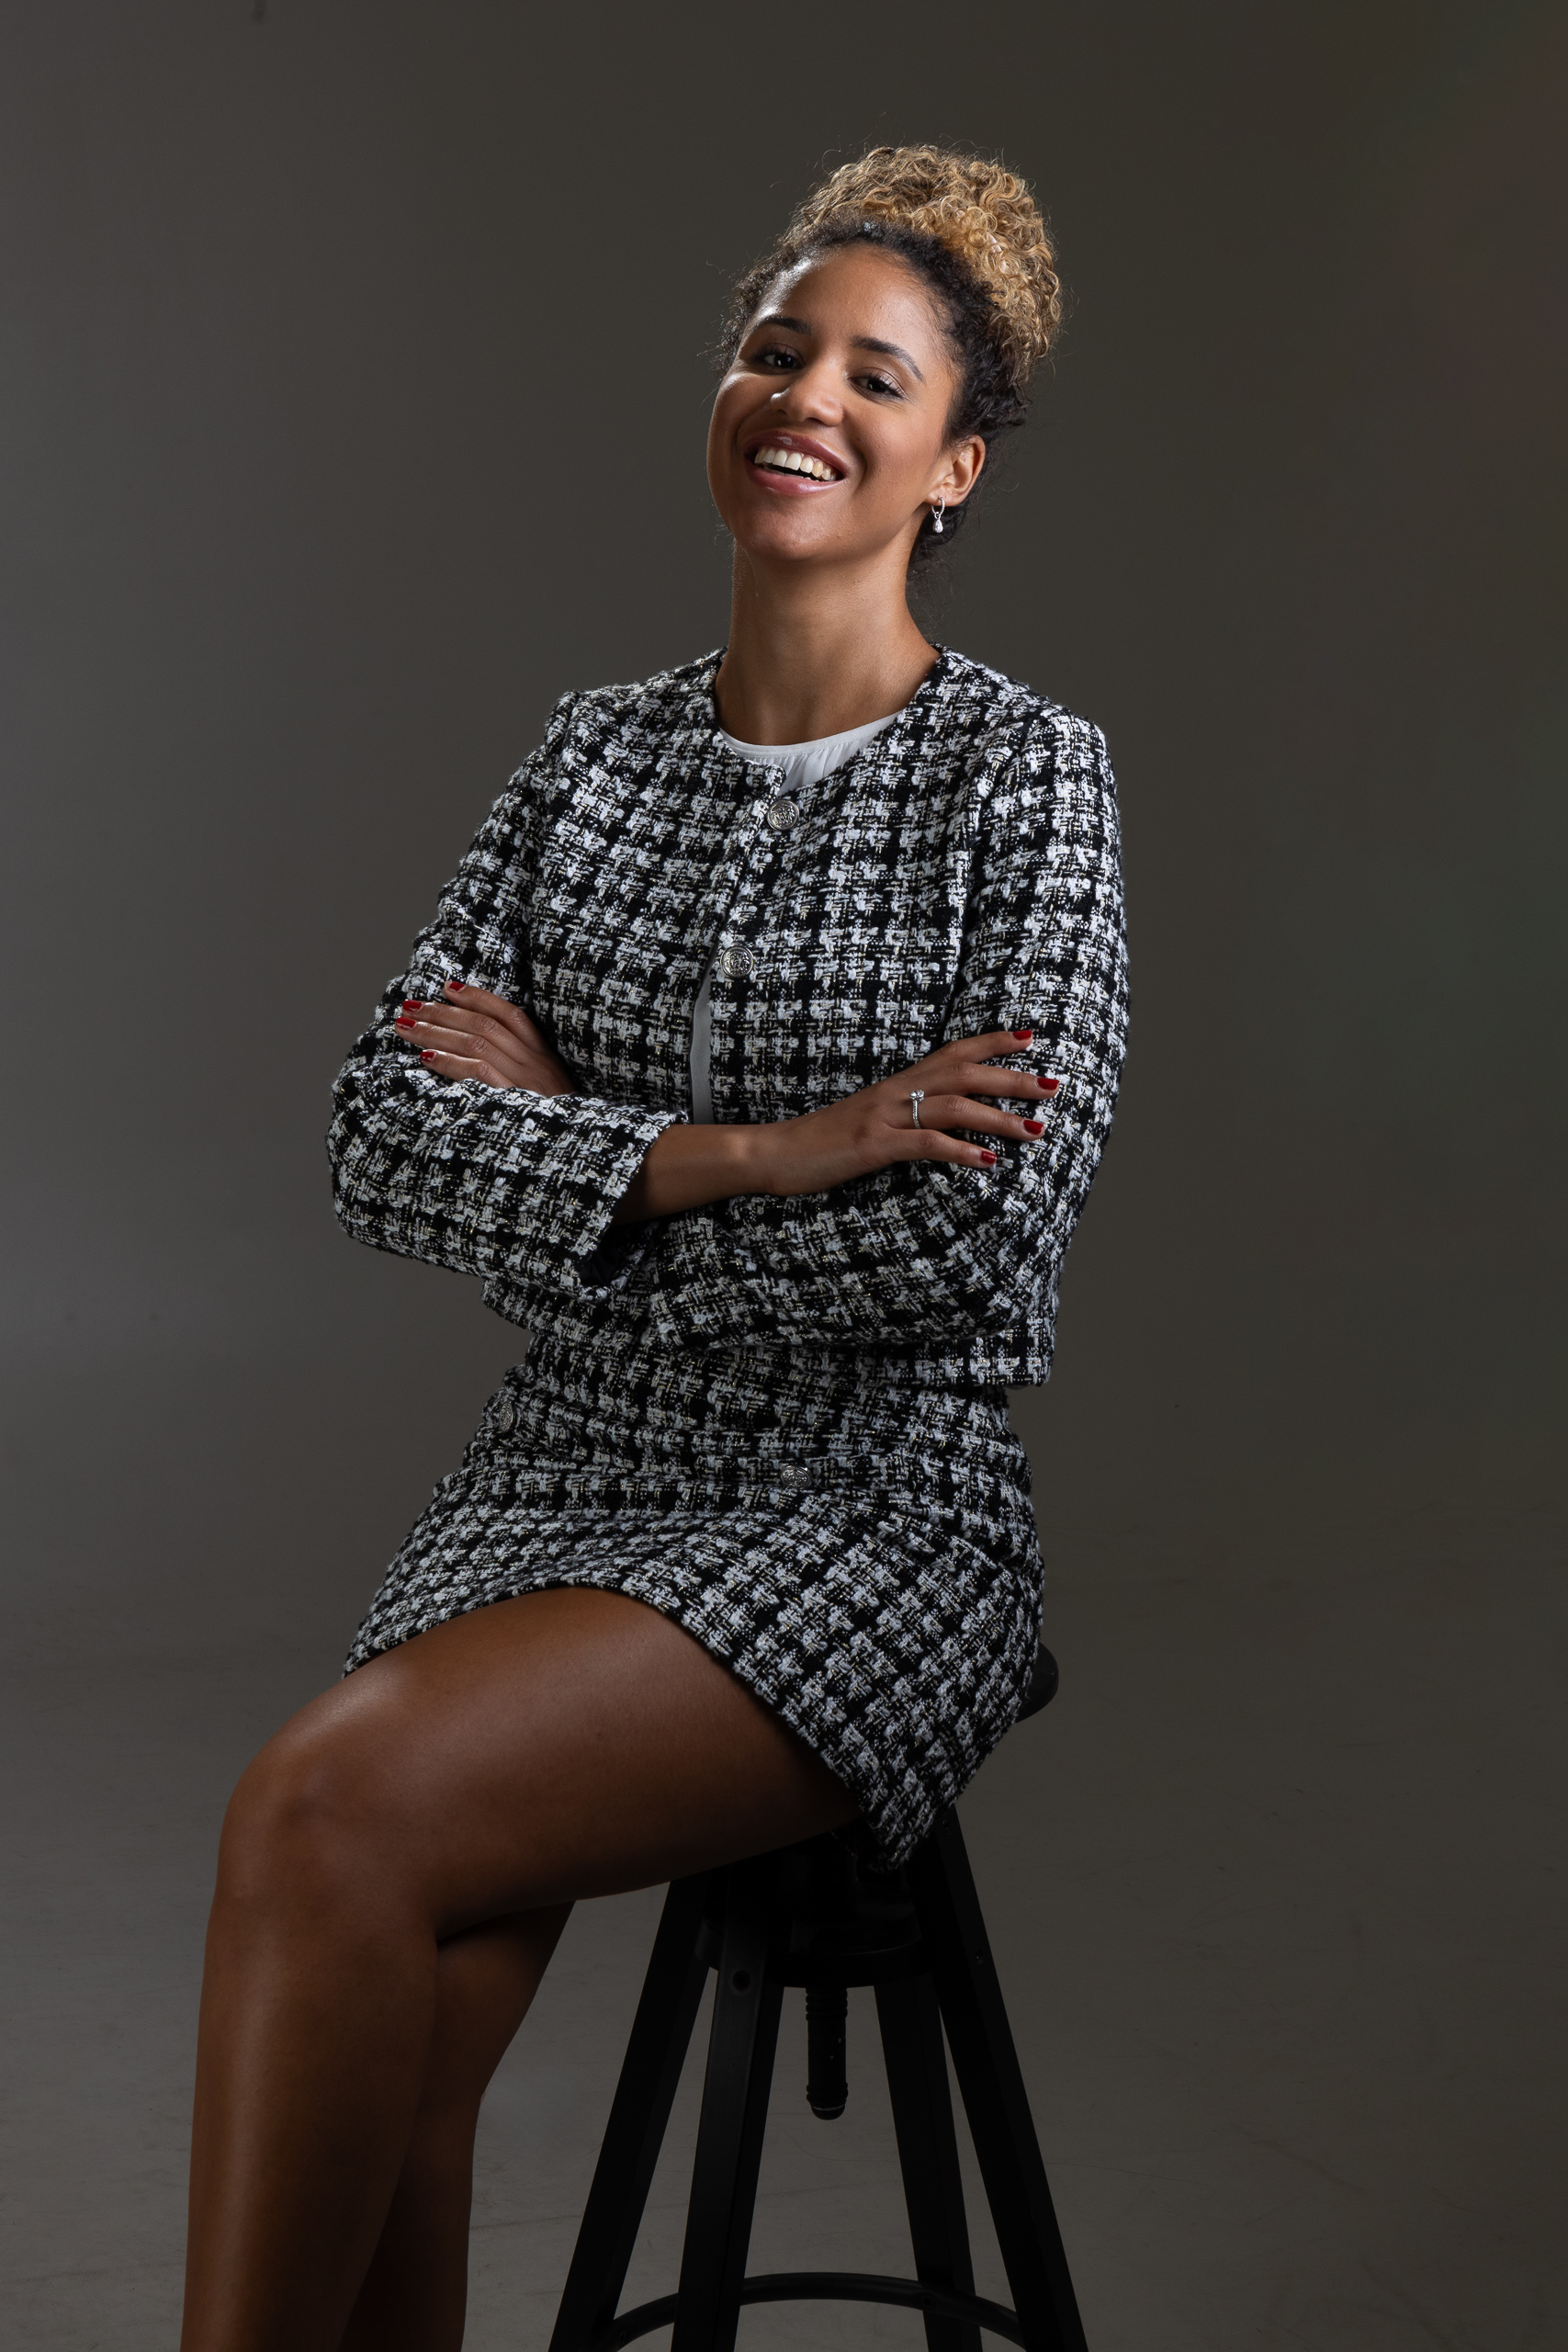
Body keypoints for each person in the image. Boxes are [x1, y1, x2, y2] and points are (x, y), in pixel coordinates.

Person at [179, 143, 1129, 2352]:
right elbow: (375, 1137)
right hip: (553, 1479)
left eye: (873, 375)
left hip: (873, 1502)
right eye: (775, 347)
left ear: (951, 464)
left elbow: (968, 1251)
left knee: (314, 1809)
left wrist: (576, 1177)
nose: (804, 395)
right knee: (400, 2024)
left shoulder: (1021, 780)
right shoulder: (587, 760)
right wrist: (757, 1153)